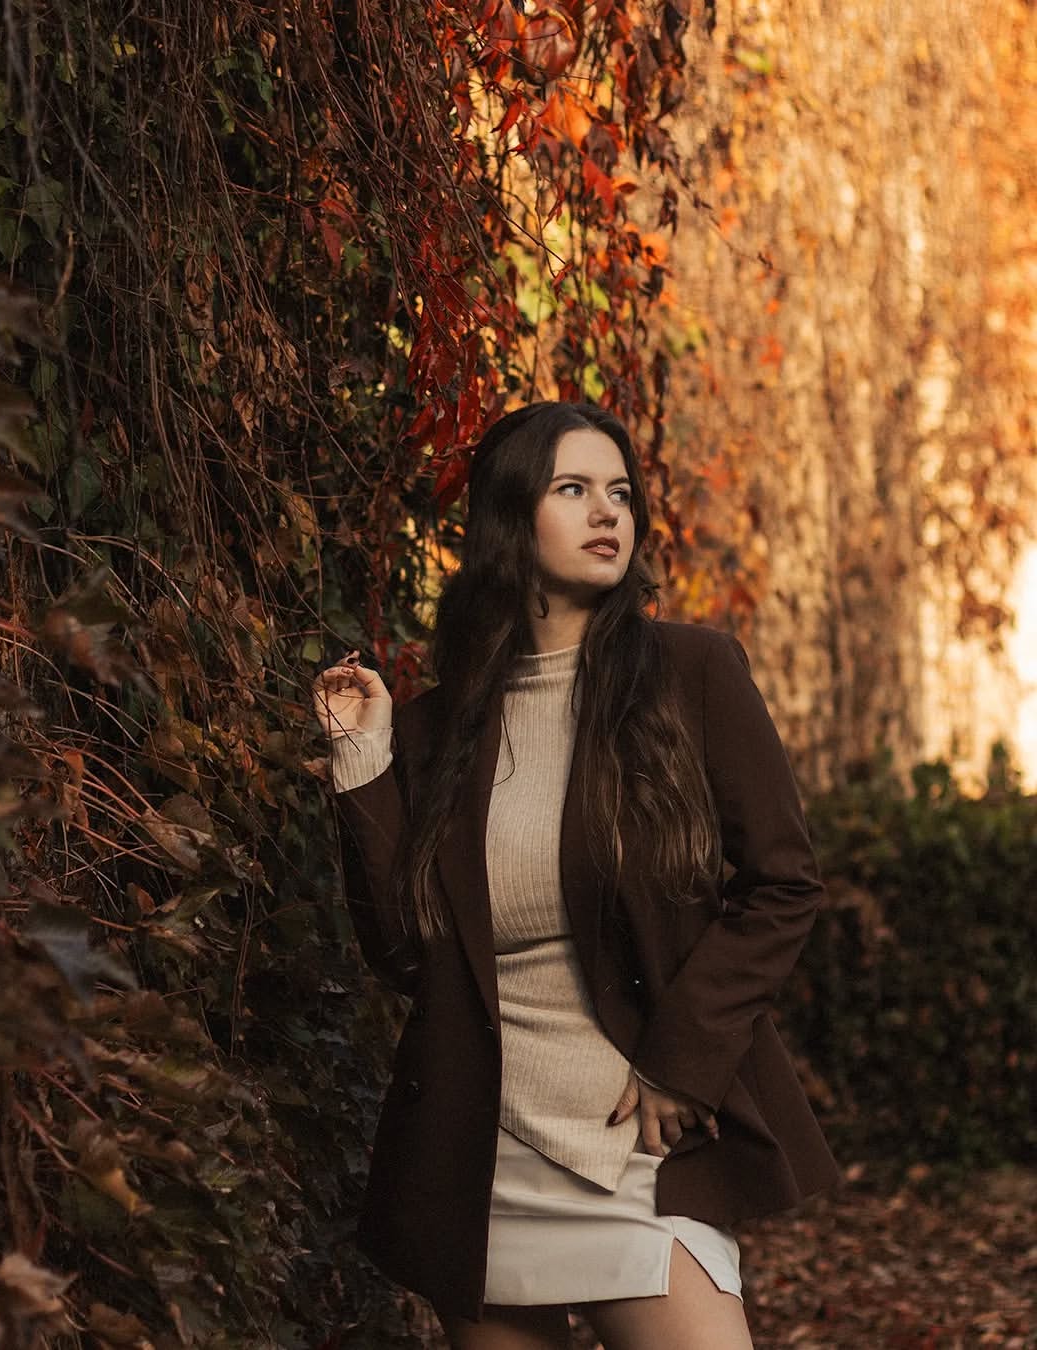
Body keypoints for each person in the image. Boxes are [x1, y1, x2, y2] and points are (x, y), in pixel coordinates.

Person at [317, 402, 838, 1350]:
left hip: (640, 1149)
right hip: (485, 1164)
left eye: (620, 493)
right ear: (512, 519)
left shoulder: (693, 673)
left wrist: (683, 1060)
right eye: (572, 490)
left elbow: (784, 881)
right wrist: (366, 763)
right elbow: (405, 956)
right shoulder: (440, 728)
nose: (608, 513)